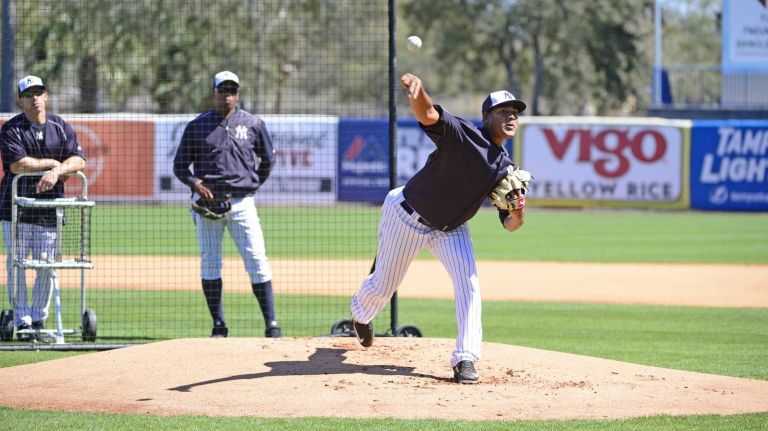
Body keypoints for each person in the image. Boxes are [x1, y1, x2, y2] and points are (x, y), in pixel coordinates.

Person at [350, 73, 527, 383]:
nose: (511, 116)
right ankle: (360, 314)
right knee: (382, 287)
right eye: (503, 111)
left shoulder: (506, 168)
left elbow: (512, 225)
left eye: (515, 112)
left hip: (452, 227)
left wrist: (518, 207)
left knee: (469, 284)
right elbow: (428, 114)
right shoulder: (464, 134)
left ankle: (466, 359)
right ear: (487, 117)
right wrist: (418, 93)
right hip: (407, 215)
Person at [173, 71, 280, 338]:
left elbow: (267, 159)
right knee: (210, 262)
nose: (228, 95)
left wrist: (254, 184)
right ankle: (218, 325)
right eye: (223, 90)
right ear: (214, 93)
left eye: (232, 90)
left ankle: (272, 325)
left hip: (242, 202)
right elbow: (179, 166)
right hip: (207, 204)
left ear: (238, 95)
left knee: (257, 260)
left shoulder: (253, 123)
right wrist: (195, 184)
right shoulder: (197, 126)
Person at [0, 75, 86, 341]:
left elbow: (79, 159)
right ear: (20, 100)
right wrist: (51, 163)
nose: (34, 98)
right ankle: (22, 321)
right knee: (18, 265)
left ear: (46, 96)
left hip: (50, 209)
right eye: (28, 94)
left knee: (47, 266)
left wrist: (59, 169)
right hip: (16, 208)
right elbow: (17, 165)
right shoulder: (12, 128)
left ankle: (38, 319)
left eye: (38, 92)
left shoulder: (60, 126)